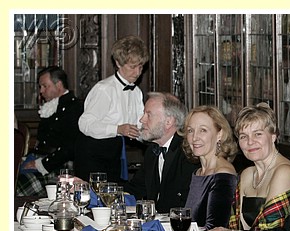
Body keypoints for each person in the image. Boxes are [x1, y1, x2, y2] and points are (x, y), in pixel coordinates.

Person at [204, 103, 290, 231]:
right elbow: (237, 227)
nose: (250, 142)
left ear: (273, 136)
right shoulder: (247, 174)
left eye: (258, 134)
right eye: (243, 136)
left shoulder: (285, 172)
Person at [77, 35, 149, 182]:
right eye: (132, 67)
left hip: (116, 151)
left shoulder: (136, 92)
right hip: (93, 153)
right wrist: (117, 129)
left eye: (140, 67)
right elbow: (84, 124)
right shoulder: (104, 89)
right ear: (118, 63)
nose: (137, 72)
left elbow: (138, 125)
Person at [123, 92, 199, 214]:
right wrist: (107, 195)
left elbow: (186, 205)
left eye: (148, 115)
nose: (142, 120)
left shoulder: (188, 153)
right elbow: (136, 188)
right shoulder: (152, 151)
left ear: (168, 122)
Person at [16, 66, 84, 196]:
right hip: (40, 159)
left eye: (45, 86)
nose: (41, 91)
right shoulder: (50, 106)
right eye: (40, 87)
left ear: (59, 85)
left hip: (59, 166)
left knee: (17, 185)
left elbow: (69, 148)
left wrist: (41, 164)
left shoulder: (74, 108)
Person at [181, 106, 238, 229]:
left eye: (203, 130)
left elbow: (215, 230)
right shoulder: (198, 173)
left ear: (219, 134)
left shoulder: (223, 174)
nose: (194, 137)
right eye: (190, 131)